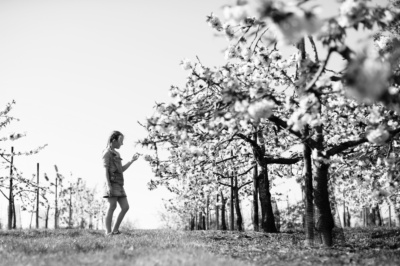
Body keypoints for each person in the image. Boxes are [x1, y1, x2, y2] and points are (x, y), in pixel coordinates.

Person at [102, 130, 140, 236]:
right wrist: (108, 185)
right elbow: (105, 170)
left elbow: (121, 169)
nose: (122, 144)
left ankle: (115, 230)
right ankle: (108, 232)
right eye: (120, 141)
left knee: (125, 207)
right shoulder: (106, 153)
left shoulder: (117, 153)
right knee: (112, 206)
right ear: (114, 140)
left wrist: (131, 161)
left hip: (119, 184)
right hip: (111, 183)